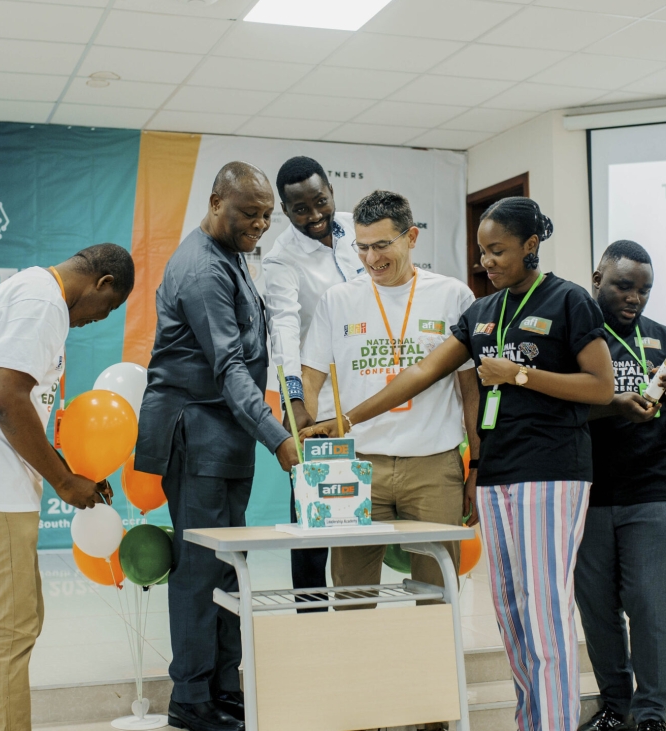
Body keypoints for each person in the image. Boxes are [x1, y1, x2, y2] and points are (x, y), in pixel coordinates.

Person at [303, 196, 614, 731]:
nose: (487, 262)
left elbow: (602, 388)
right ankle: (530, 721)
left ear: (531, 246)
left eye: (497, 251)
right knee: (512, 610)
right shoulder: (483, 311)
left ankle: (552, 723)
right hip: (499, 473)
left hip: (551, 470)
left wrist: (518, 376)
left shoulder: (568, 300)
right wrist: (346, 421)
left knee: (543, 611)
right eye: (482, 252)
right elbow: (422, 373)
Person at [0, 244, 134, 731]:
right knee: (11, 629)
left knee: (22, 619)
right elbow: (7, 401)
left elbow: (22, 404)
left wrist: (71, 468)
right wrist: (63, 480)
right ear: (101, 283)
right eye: (110, 308)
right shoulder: (43, 303)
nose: (101, 320)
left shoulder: (34, 292)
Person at [134, 161, 301, 731]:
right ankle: (192, 697)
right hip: (197, 432)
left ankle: (225, 686)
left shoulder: (231, 255)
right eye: (248, 213)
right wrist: (279, 437)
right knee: (201, 569)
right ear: (213, 203)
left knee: (232, 566)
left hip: (224, 434)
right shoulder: (202, 268)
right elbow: (229, 367)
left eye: (266, 216)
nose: (259, 224)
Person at [299, 189, 479, 602]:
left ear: (411, 237)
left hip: (433, 465)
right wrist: (306, 445)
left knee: (437, 593)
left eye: (382, 245)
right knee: (351, 593)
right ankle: (358, 669)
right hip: (357, 464)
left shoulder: (453, 296)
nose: (371, 259)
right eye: (361, 247)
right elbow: (310, 381)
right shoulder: (338, 301)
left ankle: (431, 668)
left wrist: (476, 464)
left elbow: (471, 389)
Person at [576, 240, 666, 731]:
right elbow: (563, 407)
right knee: (597, 608)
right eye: (624, 286)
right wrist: (614, 404)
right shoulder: (578, 336)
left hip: (653, 491)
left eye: (644, 290)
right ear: (598, 280)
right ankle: (616, 706)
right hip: (587, 491)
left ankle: (651, 714)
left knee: (651, 606)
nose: (635, 298)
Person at [261, 156, 365, 600]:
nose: (315, 216)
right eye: (300, 209)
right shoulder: (281, 258)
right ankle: (309, 610)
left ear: (332, 194)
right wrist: (295, 403)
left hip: (372, 387)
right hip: (316, 397)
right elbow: (283, 329)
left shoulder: (358, 230)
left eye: (320, 202)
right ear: (285, 211)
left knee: (366, 509)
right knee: (315, 509)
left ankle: (358, 608)